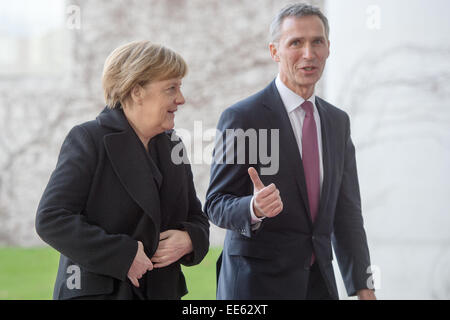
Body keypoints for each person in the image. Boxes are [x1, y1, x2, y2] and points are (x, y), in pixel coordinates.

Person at [205, 3, 376, 300]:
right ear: (275, 52)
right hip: (255, 286)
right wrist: (253, 208)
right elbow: (216, 204)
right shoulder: (243, 118)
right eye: (296, 43)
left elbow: (347, 213)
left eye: (317, 42)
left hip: (318, 285)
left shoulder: (337, 122)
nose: (308, 54)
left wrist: (364, 286)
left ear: (328, 48)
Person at [35, 41, 209, 300]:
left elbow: (196, 216)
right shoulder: (88, 138)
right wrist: (123, 255)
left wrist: (190, 239)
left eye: (180, 87)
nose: (181, 99)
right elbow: (51, 219)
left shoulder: (173, 144)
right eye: (171, 88)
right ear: (137, 90)